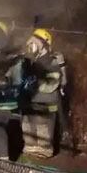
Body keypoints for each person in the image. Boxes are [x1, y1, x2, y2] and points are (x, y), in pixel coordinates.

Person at [20, 28, 69, 158]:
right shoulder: (32, 61)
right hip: (32, 101)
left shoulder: (51, 62)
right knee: (27, 123)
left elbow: (51, 84)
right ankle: (31, 147)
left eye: (35, 43)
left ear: (44, 45)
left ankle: (44, 149)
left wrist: (33, 83)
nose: (31, 45)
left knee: (43, 126)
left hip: (46, 102)